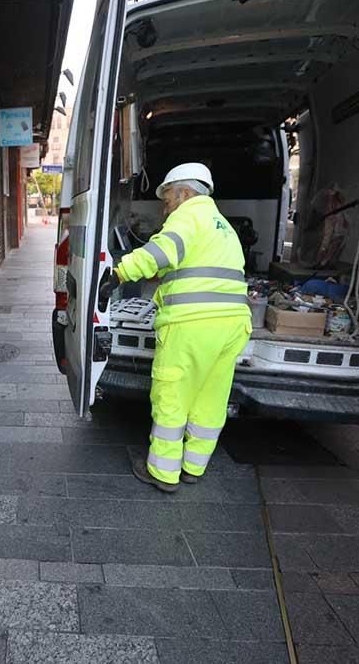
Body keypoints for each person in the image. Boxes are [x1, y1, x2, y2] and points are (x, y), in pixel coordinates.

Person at [102, 163, 251, 491]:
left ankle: (163, 471)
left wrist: (118, 274)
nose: (164, 208)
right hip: (233, 326)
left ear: (185, 192)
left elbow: (161, 252)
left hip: (192, 325)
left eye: (167, 199)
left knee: (172, 394)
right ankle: (193, 467)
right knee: (209, 399)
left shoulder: (188, 215)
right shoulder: (222, 226)